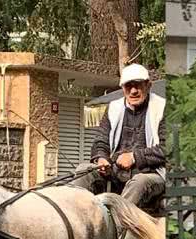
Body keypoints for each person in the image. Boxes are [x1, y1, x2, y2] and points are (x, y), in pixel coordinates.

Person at [70, 63, 166, 210]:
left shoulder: (162, 108)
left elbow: (167, 149)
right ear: (122, 88)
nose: (133, 91)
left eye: (138, 85)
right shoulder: (113, 108)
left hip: (151, 175)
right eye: (128, 86)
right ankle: (77, 219)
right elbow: (100, 141)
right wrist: (101, 158)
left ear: (148, 85)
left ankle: (117, 225)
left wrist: (135, 157)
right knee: (84, 170)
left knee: (139, 182)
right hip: (115, 173)